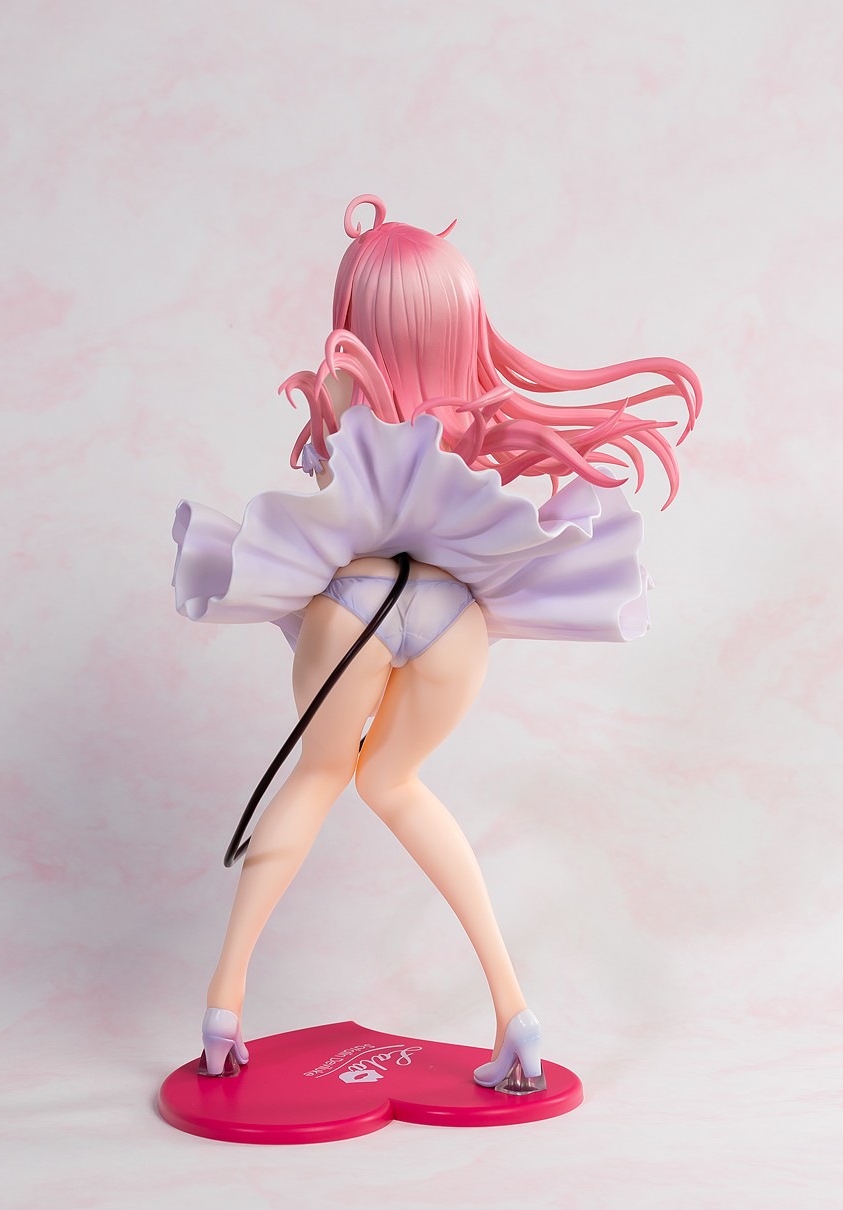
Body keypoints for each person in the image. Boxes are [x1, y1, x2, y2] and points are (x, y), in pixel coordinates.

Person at [171, 194, 701, 1089]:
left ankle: (224, 1005)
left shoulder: (343, 388)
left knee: (320, 776)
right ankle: (515, 1012)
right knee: (396, 782)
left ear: (358, 316)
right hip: (456, 621)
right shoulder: (476, 412)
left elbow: (334, 487)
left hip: (357, 602)